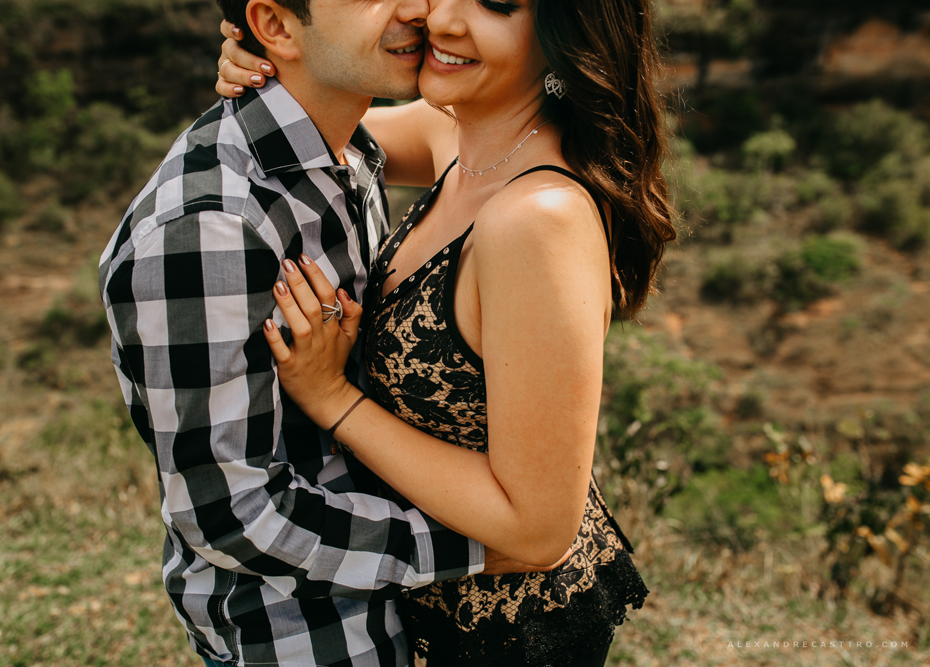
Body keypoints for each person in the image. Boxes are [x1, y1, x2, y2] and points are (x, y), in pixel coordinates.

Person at [215, 0, 675, 664]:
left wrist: (333, 399)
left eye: (495, 5)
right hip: (415, 599)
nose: (446, 19)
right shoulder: (461, 136)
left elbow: (541, 528)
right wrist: (266, 58)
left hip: (500, 635)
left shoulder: (536, 219)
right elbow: (317, 123)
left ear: (562, 36)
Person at [97, 0, 549, 665]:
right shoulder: (207, 231)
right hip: (305, 639)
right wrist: (482, 547)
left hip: (409, 616)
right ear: (277, 26)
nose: (418, 8)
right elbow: (234, 514)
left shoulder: (349, 148)